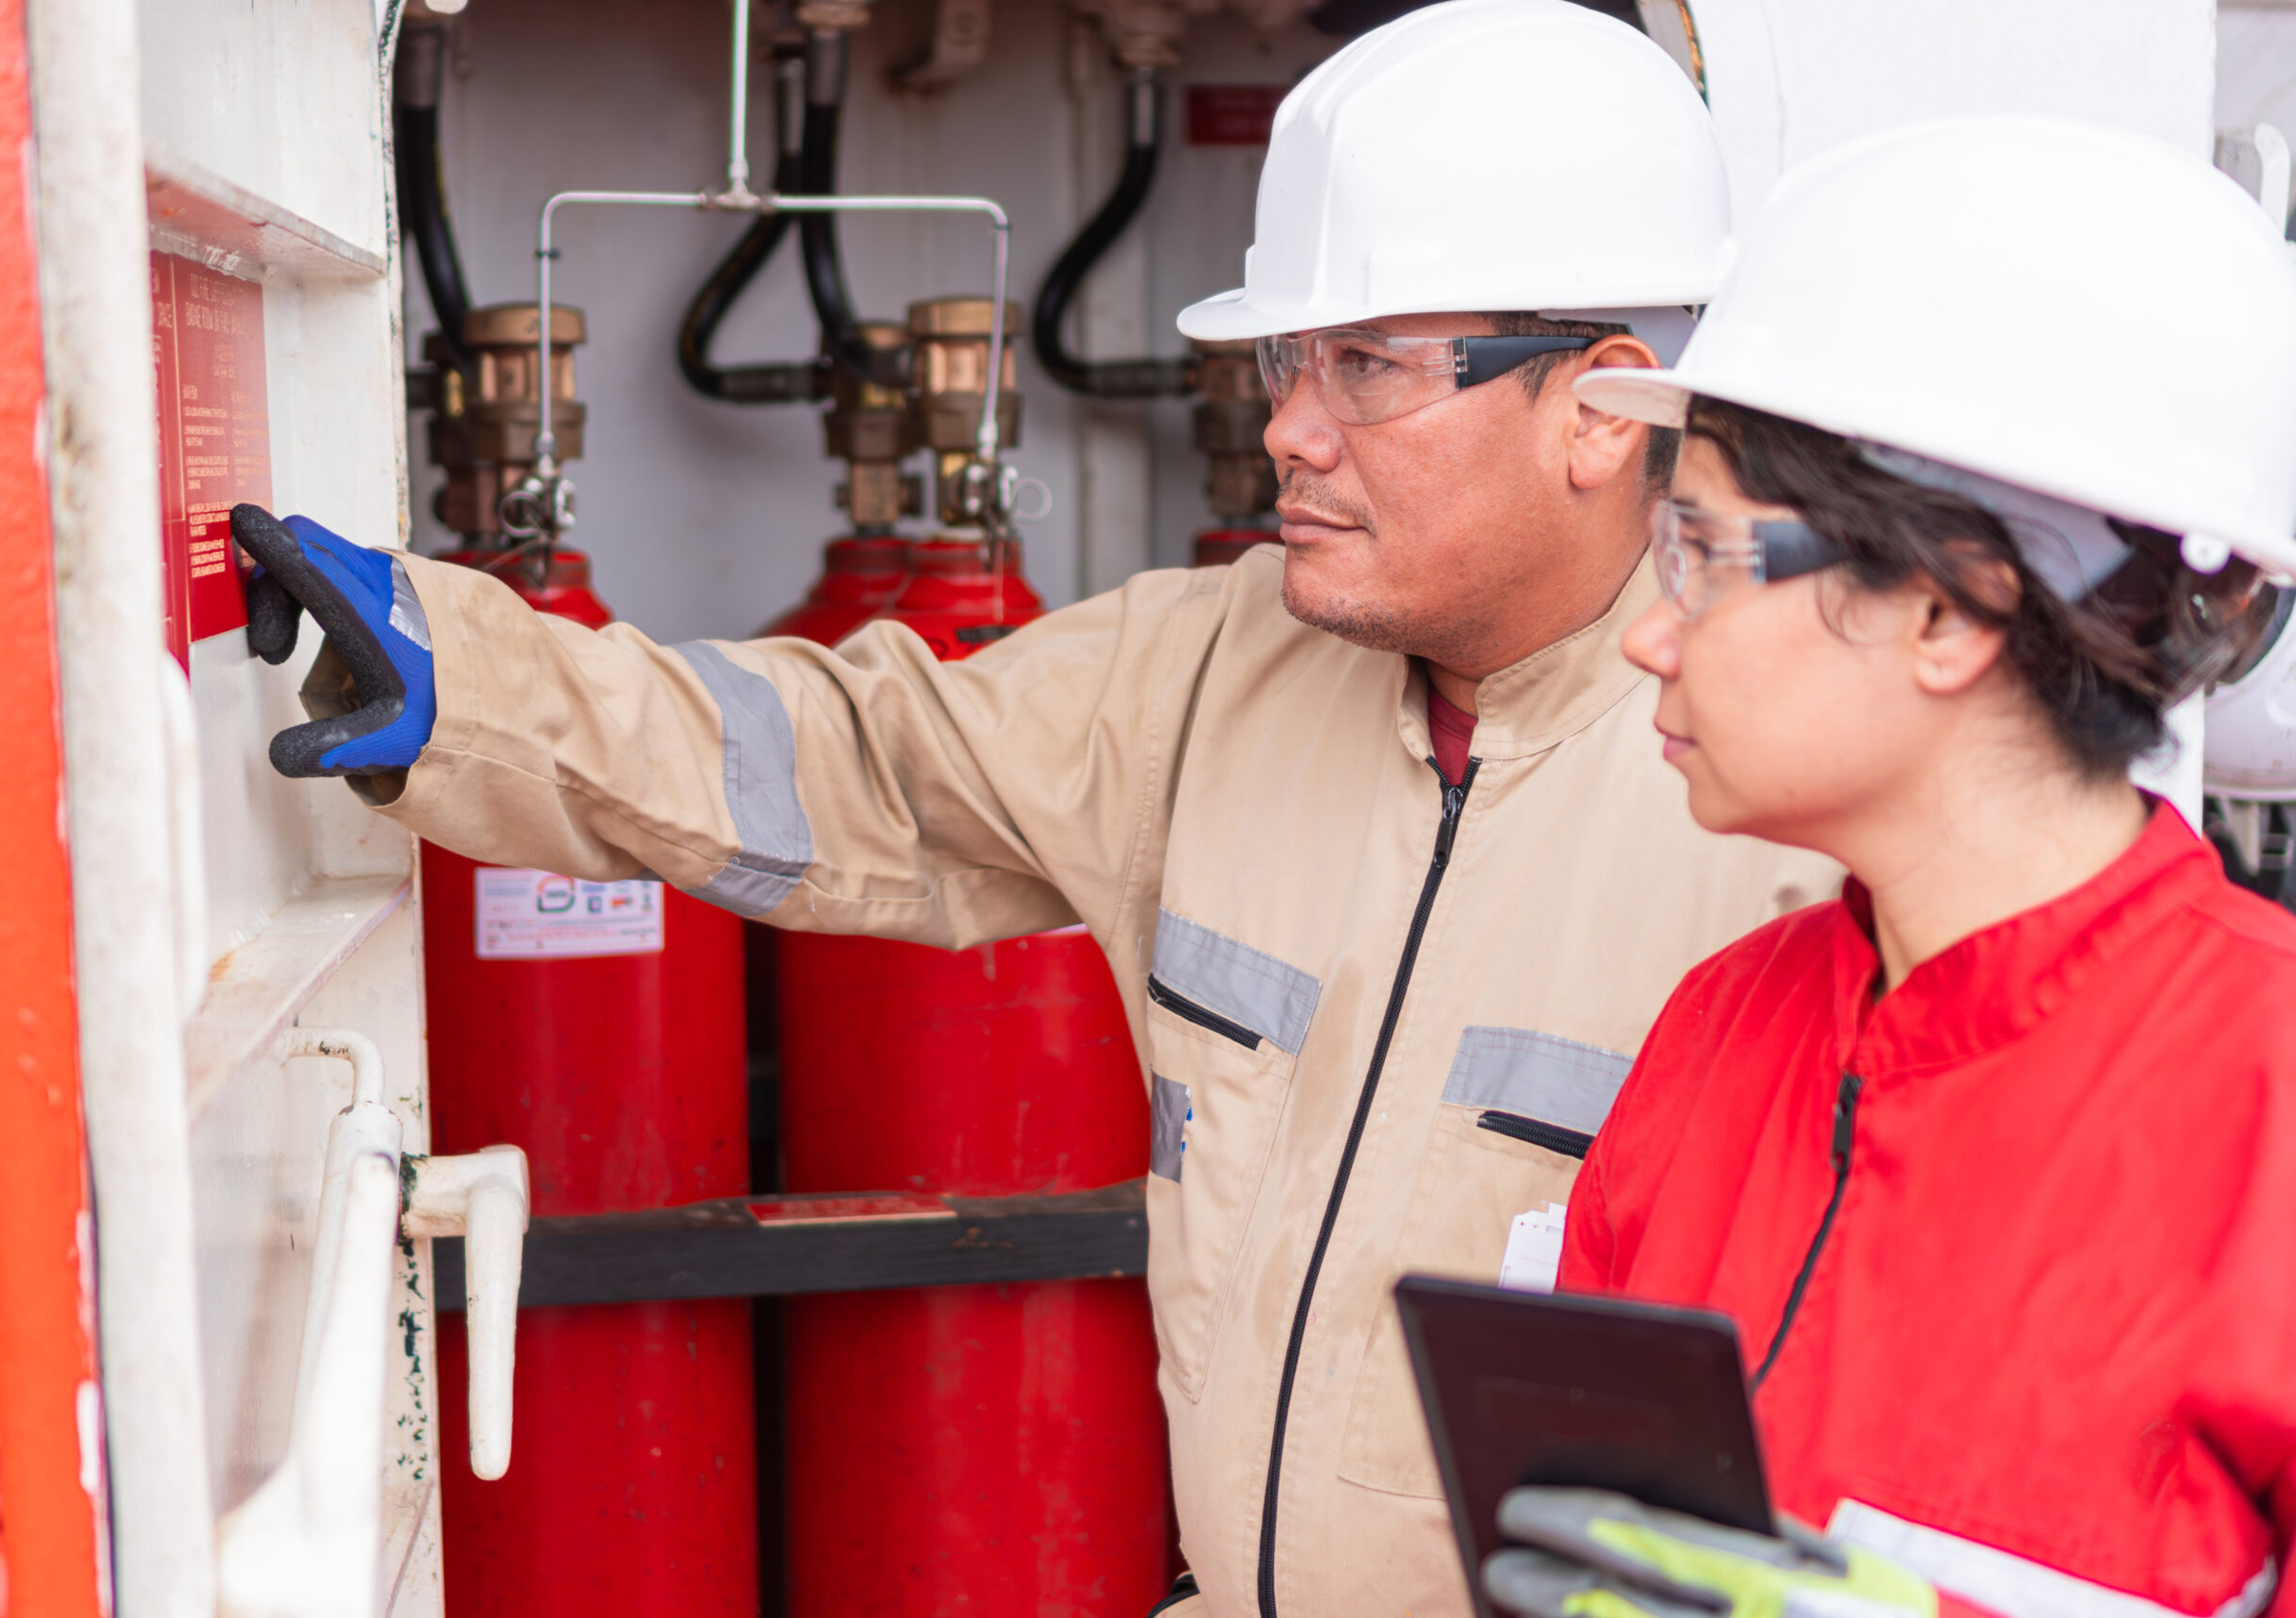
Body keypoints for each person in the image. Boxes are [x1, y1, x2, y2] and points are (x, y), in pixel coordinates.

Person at [234, 4, 1837, 1612]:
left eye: (1366, 367)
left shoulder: (1788, 819)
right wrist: (471, 681)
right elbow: (857, 760)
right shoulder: (1222, 668)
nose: (1289, 426)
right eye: (1289, 361)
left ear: (1601, 407)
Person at [1484, 116, 2296, 1618]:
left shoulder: (2269, 1095)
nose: (1649, 636)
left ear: (1954, 608)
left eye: (1704, 556)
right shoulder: (1727, 1024)